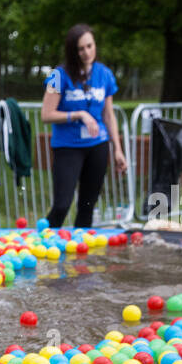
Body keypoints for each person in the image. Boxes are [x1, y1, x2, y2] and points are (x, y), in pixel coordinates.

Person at [39, 24, 127, 229]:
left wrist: (118, 149)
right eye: (81, 48)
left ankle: (80, 256)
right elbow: (46, 114)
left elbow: (108, 114)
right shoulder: (57, 75)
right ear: (73, 51)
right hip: (67, 146)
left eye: (90, 46)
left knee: (88, 206)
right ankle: (42, 242)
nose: (87, 52)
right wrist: (79, 114)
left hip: (97, 145)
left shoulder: (105, 74)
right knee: (62, 204)